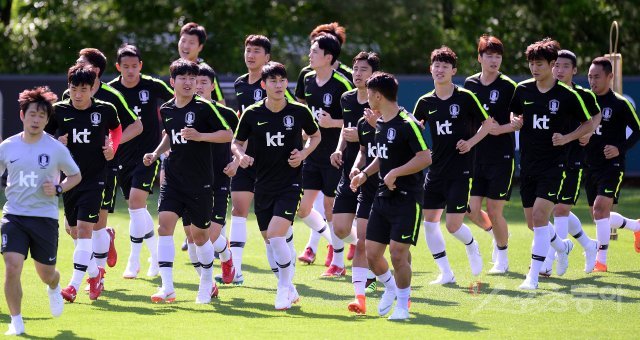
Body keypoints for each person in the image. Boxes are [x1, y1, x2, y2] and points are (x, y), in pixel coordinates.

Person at [232, 61, 321, 309]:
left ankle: (282, 289)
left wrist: (303, 154)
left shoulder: (298, 112)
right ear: (264, 85)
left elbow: (316, 135)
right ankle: (289, 287)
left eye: (282, 80)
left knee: (276, 236)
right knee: (270, 242)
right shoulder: (252, 113)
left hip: (290, 184)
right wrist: (241, 157)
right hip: (261, 184)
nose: (279, 85)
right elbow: (236, 143)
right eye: (273, 81)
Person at [143, 59, 232, 304]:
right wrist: (157, 152)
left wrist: (201, 135)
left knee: (200, 237)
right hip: (173, 179)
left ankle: (207, 281)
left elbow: (227, 134)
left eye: (192, 78)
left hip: (200, 182)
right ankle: (167, 287)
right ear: (172, 82)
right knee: (164, 226)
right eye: (183, 78)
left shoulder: (204, 108)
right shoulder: (167, 109)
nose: (189, 82)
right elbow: (169, 137)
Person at [510, 38, 594, 290]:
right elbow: (514, 112)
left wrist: (567, 137)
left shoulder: (567, 95)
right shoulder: (522, 89)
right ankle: (562, 245)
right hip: (528, 164)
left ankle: (533, 276)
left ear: (552, 64)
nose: (534, 68)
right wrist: (515, 120)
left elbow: (589, 123)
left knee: (539, 216)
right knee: (533, 222)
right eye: (531, 64)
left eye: (539, 64)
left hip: (555, 165)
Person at [0, 87, 81, 336]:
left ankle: (54, 286)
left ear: (47, 120)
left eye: (42, 116)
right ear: (22, 115)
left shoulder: (55, 148)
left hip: (44, 219)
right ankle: (17, 320)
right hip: (13, 215)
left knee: (46, 273)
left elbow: (75, 175)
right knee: (12, 266)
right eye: (32, 114)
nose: (36, 120)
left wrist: (58, 188)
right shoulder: (7, 146)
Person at [351, 72, 431, 321]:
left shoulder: (407, 124)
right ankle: (390, 287)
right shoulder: (381, 123)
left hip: (408, 198)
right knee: (371, 254)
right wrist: (364, 174)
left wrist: (395, 173)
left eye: (368, 93)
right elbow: (382, 156)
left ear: (377, 95)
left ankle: (403, 306)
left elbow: (425, 157)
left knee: (398, 253)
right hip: (382, 197)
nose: (366, 98)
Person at [58, 48, 143, 273]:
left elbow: (136, 125)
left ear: (95, 70)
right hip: (73, 171)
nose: (76, 66)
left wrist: (112, 146)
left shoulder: (112, 97)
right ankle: (105, 243)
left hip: (103, 170)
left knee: (95, 225)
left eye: (81, 63)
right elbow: (55, 129)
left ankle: (97, 274)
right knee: (72, 228)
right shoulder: (70, 95)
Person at [413, 46, 493, 284]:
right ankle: (446, 273)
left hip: (461, 170)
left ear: (453, 71)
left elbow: (487, 124)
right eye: (436, 66)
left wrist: (470, 142)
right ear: (430, 69)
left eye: (445, 67)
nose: (440, 70)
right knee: (429, 222)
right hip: (435, 170)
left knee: (453, 226)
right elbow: (416, 128)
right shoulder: (425, 101)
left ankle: (472, 245)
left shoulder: (465, 97)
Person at [50, 64, 122, 302]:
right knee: (73, 231)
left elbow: (116, 129)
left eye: (83, 89)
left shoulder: (105, 109)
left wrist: (113, 147)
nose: (78, 95)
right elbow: (42, 136)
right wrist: (55, 141)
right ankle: (95, 274)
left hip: (95, 178)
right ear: (68, 88)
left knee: (83, 231)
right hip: (69, 180)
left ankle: (72, 286)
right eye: (73, 89)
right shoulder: (57, 111)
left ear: (93, 88)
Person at [226, 34, 295, 285]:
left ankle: (286, 248)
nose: (250, 55)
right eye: (247, 50)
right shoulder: (240, 83)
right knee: (239, 209)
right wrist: (238, 155)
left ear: (267, 57)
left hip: (274, 162)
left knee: (272, 230)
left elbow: (294, 121)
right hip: (247, 159)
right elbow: (240, 120)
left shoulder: (276, 87)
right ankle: (236, 270)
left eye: (256, 51)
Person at [108, 44, 175, 279]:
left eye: (134, 66)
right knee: (136, 209)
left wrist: (171, 129)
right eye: (125, 66)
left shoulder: (152, 85)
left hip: (149, 154)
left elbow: (177, 101)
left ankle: (134, 260)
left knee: (136, 202)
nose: (130, 70)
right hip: (122, 156)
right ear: (118, 67)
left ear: (140, 66)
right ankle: (155, 255)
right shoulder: (112, 91)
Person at [295, 23, 354, 265]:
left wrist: (332, 123)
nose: (310, 54)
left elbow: (357, 120)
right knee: (304, 209)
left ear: (329, 56)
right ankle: (346, 241)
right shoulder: (307, 77)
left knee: (331, 208)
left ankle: (337, 260)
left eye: (315, 50)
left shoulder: (344, 82)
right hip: (312, 152)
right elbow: (300, 106)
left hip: (336, 154)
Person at [329, 51, 379, 307]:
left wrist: (357, 138)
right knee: (338, 228)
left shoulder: (378, 102)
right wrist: (338, 149)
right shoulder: (346, 97)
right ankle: (370, 251)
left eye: (363, 69)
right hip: (347, 171)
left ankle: (368, 275)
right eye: (355, 68)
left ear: (373, 75)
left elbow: (382, 138)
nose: (357, 73)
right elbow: (345, 129)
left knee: (362, 240)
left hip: (370, 175)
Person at [181, 63, 238, 290]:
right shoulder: (183, 113)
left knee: (211, 236)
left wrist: (236, 162)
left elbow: (241, 141)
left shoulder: (226, 114)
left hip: (219, 178)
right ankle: (207, 284)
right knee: (192, 238)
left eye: (204, 82)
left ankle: (226, 257)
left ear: (213, 86)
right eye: (196, 81)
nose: (199, 86)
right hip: (191, 181)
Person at [463, 35, 517, 274]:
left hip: (501, 157)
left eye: (498, 56)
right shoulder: (470, 84)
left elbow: (518, 122)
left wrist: (500, 129)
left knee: (495, 211)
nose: (494, 60)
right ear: (480, 58)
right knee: (472, 210)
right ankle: (498, 235)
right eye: (489, 56)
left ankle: (502, 261)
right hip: (476, 156)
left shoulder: (509, 86)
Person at [545, 49, 600, 275]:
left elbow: (594, 120)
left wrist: (587, 133)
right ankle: (589, 244)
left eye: (565, 66)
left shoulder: (584, 96)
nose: (559, 70)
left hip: (573, 158)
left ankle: (550, 262)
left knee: (560, 209)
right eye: (556, 65)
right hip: (548, 159)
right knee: (556, 209)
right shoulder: (545, 92)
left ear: (574, 70)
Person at [584, 57, 640, 271]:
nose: (592, 81)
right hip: (589, 165)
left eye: (597, 76)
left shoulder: (619, 103)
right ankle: (636, 226)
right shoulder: (585, 100)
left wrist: (619, 148)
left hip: (612, 166)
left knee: (600, 210)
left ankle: (601, 261)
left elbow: (637, 130)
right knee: (598, 215)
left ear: (610, 76)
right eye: (590, 76)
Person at [178, 22, 225, 104]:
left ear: (200, 47)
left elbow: (221, 104)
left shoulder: (207, 71)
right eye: (183, 41)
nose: (186, 46)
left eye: (191, 42)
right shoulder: (176, 68)